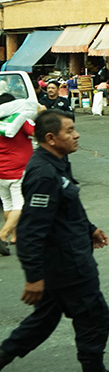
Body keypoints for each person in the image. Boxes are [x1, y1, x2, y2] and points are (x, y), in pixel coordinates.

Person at [0, 110, 109, 372]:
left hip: (65, 261)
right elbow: (31, 230)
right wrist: (33, 277)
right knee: (95, 318)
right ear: (51, 138)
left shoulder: (58, 162)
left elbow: (66, 208)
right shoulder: (43, 173)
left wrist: (90, 229)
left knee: (42, 322)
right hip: (68, 267)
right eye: (69, 131)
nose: (76, 135)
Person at [0, 93, 37, 254]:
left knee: (8, 205)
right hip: (18, 170)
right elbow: (37, 132)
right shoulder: (20, 119)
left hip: (1, 172)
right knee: (21, 205)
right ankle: (2, 236)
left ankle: (16, 236)